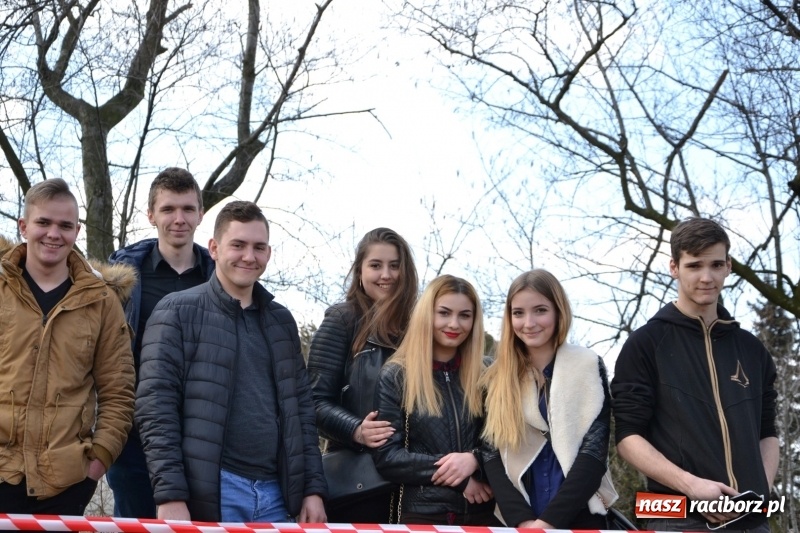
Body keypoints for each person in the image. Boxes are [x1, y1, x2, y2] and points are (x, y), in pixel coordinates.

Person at [135, 201, 327, 523]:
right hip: (213, 491)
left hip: (278, 495)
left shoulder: (281, 322)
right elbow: (156, 408)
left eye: (259, 247)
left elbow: (302, 412)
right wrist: (170, 495)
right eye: (238, 245)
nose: (249, 256)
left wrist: (312, 489)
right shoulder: (176, 312)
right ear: (214, 248)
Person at [612, 217, 779, 532]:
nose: (706, 277)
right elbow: (627, 438)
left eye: (716, 265)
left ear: (728, 266)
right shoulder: (645, 344)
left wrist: (760, 493)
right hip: (676, 516)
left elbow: (766, 431)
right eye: (694, 266)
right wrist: (690, 486)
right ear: (674, 267)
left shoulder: (751, 349)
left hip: (751, 521)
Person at [0, 178, 135, 515]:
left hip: (65, 486)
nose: (53, 234)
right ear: (24, 226)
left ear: (77, 230)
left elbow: (118, 393)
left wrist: (97, 464)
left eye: (64, 225)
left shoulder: (102, 302)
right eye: (43, 222)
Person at [107, 167, 214, 518]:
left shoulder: (220, 277)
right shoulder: (123, 279)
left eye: (187, 209)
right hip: (136, 435)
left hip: (205, 436)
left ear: (200, 213)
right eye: (168, 209)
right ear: (151, 215)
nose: (178, 219)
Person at [480, 269, 617, 529]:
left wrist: (547, 523)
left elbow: (594, 453)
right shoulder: (495, 377)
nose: (528, 323)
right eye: (518, 313)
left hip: (577, 517)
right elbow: (491, 455)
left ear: (558, 311)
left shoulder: (587, 365)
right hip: (515, 519)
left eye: (540, 310)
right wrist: (523, 521)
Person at [307, 227, 418, 523]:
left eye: (395, 266)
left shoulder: (421, 327)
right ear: (359, 272)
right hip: (359, 484)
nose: (387, 275)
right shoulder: (342, 320)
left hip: (416, 485)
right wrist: (356, 429)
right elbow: (313, 401)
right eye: (376, 265)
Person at [373, 275, 497, 525]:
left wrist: (474, 459)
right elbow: (388, 458)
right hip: (422, 514)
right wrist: (460, 476)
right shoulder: (397, 374)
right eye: (444, 313)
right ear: (426, 315)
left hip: (484, 513)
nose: (454, 323)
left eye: (465, 315)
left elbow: (502, 442)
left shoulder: (488, 373)